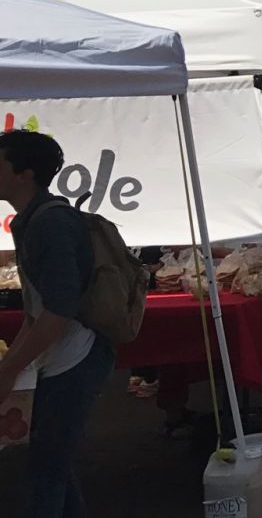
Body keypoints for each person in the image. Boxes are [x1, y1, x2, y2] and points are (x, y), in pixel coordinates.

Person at [0, 129, 117, 518]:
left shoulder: (49, 222)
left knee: (45, 472)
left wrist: (12, 367)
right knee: (52, 465)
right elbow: (38, 310)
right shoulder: (31, 219)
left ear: (24, 173)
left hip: (76, 355)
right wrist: (12, 366)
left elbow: (59, 309)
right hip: (64, 355)